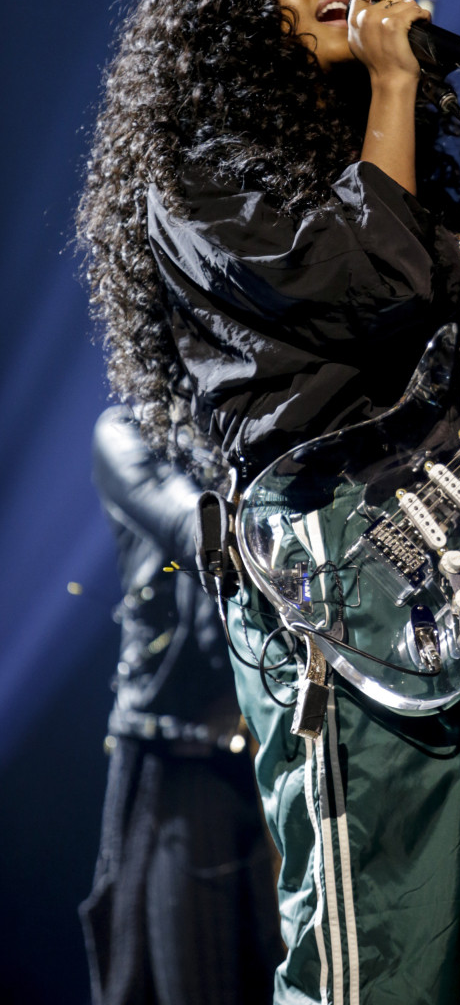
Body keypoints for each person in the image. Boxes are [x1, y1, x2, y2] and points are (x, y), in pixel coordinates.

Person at [76, 0, 460, 1005]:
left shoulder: (398, 176)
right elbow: (366, 286)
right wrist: (396, 88)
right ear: (232, 18)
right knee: (384, 943)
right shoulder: (196, 178)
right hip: (339, 581)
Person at [79, 404, 282, 1005]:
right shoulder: (126, 430)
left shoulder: (261, 414)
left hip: (280, 748)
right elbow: (192, 528)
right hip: (183, 754)